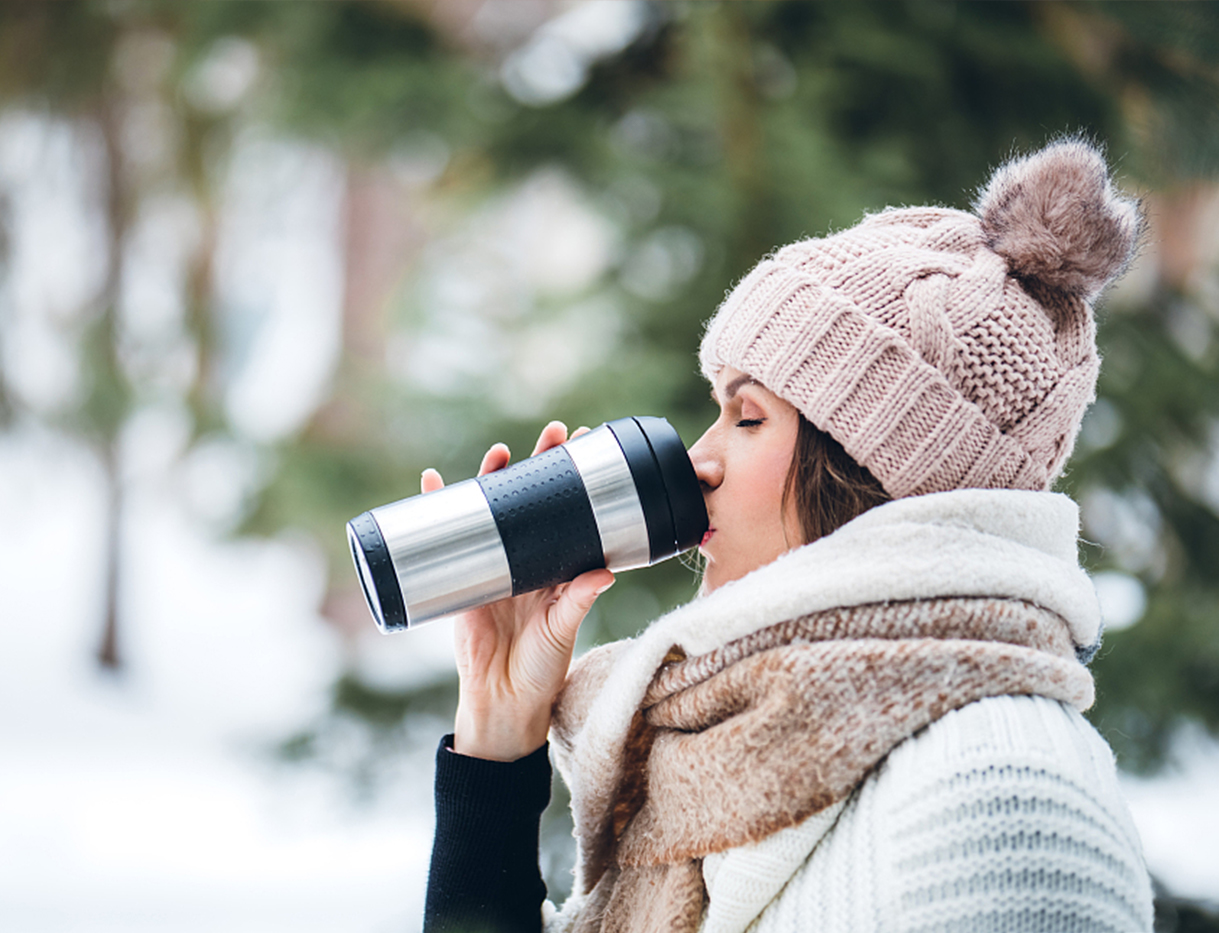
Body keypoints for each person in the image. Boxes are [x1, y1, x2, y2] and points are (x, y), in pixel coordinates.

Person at [422, 138, 1155, 933]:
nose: (698, 459)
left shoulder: (1001, 803)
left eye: (747, 416)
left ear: (875, 466)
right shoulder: (727, 762)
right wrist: (496, 745)